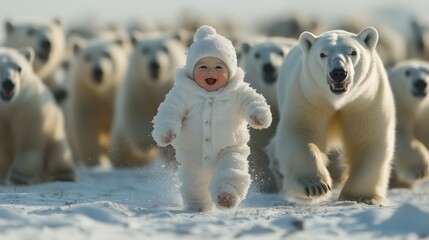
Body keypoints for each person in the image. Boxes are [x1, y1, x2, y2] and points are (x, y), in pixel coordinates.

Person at [152, 25, 272, 211]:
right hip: (193, 154)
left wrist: (257, 114)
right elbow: (170, 111)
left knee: (232, 171)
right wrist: (168, 128)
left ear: (230, 70)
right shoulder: (183, 92)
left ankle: (227, 193)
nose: (210, 72)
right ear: (192, 70)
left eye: (218, 67)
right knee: (194, 190)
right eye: (203, 67)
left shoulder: (238, 91)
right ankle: (198, 207)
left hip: (229, 148)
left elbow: (253, 101)